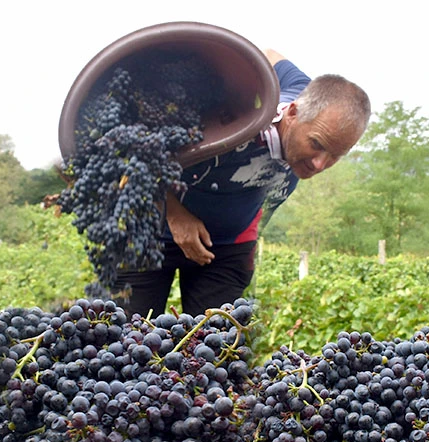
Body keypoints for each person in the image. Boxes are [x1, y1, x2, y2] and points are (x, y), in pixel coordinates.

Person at [113, 49, 371, 318]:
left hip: (226, 249)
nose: (320, 164)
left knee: (210, 347)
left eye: (335, 155)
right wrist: (175, 215)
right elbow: (137, 148)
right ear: (293, 113)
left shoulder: (307, 92)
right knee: (129, 336)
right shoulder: (230, 122)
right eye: (316, 144)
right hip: (149, 230)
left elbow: (269, 54)